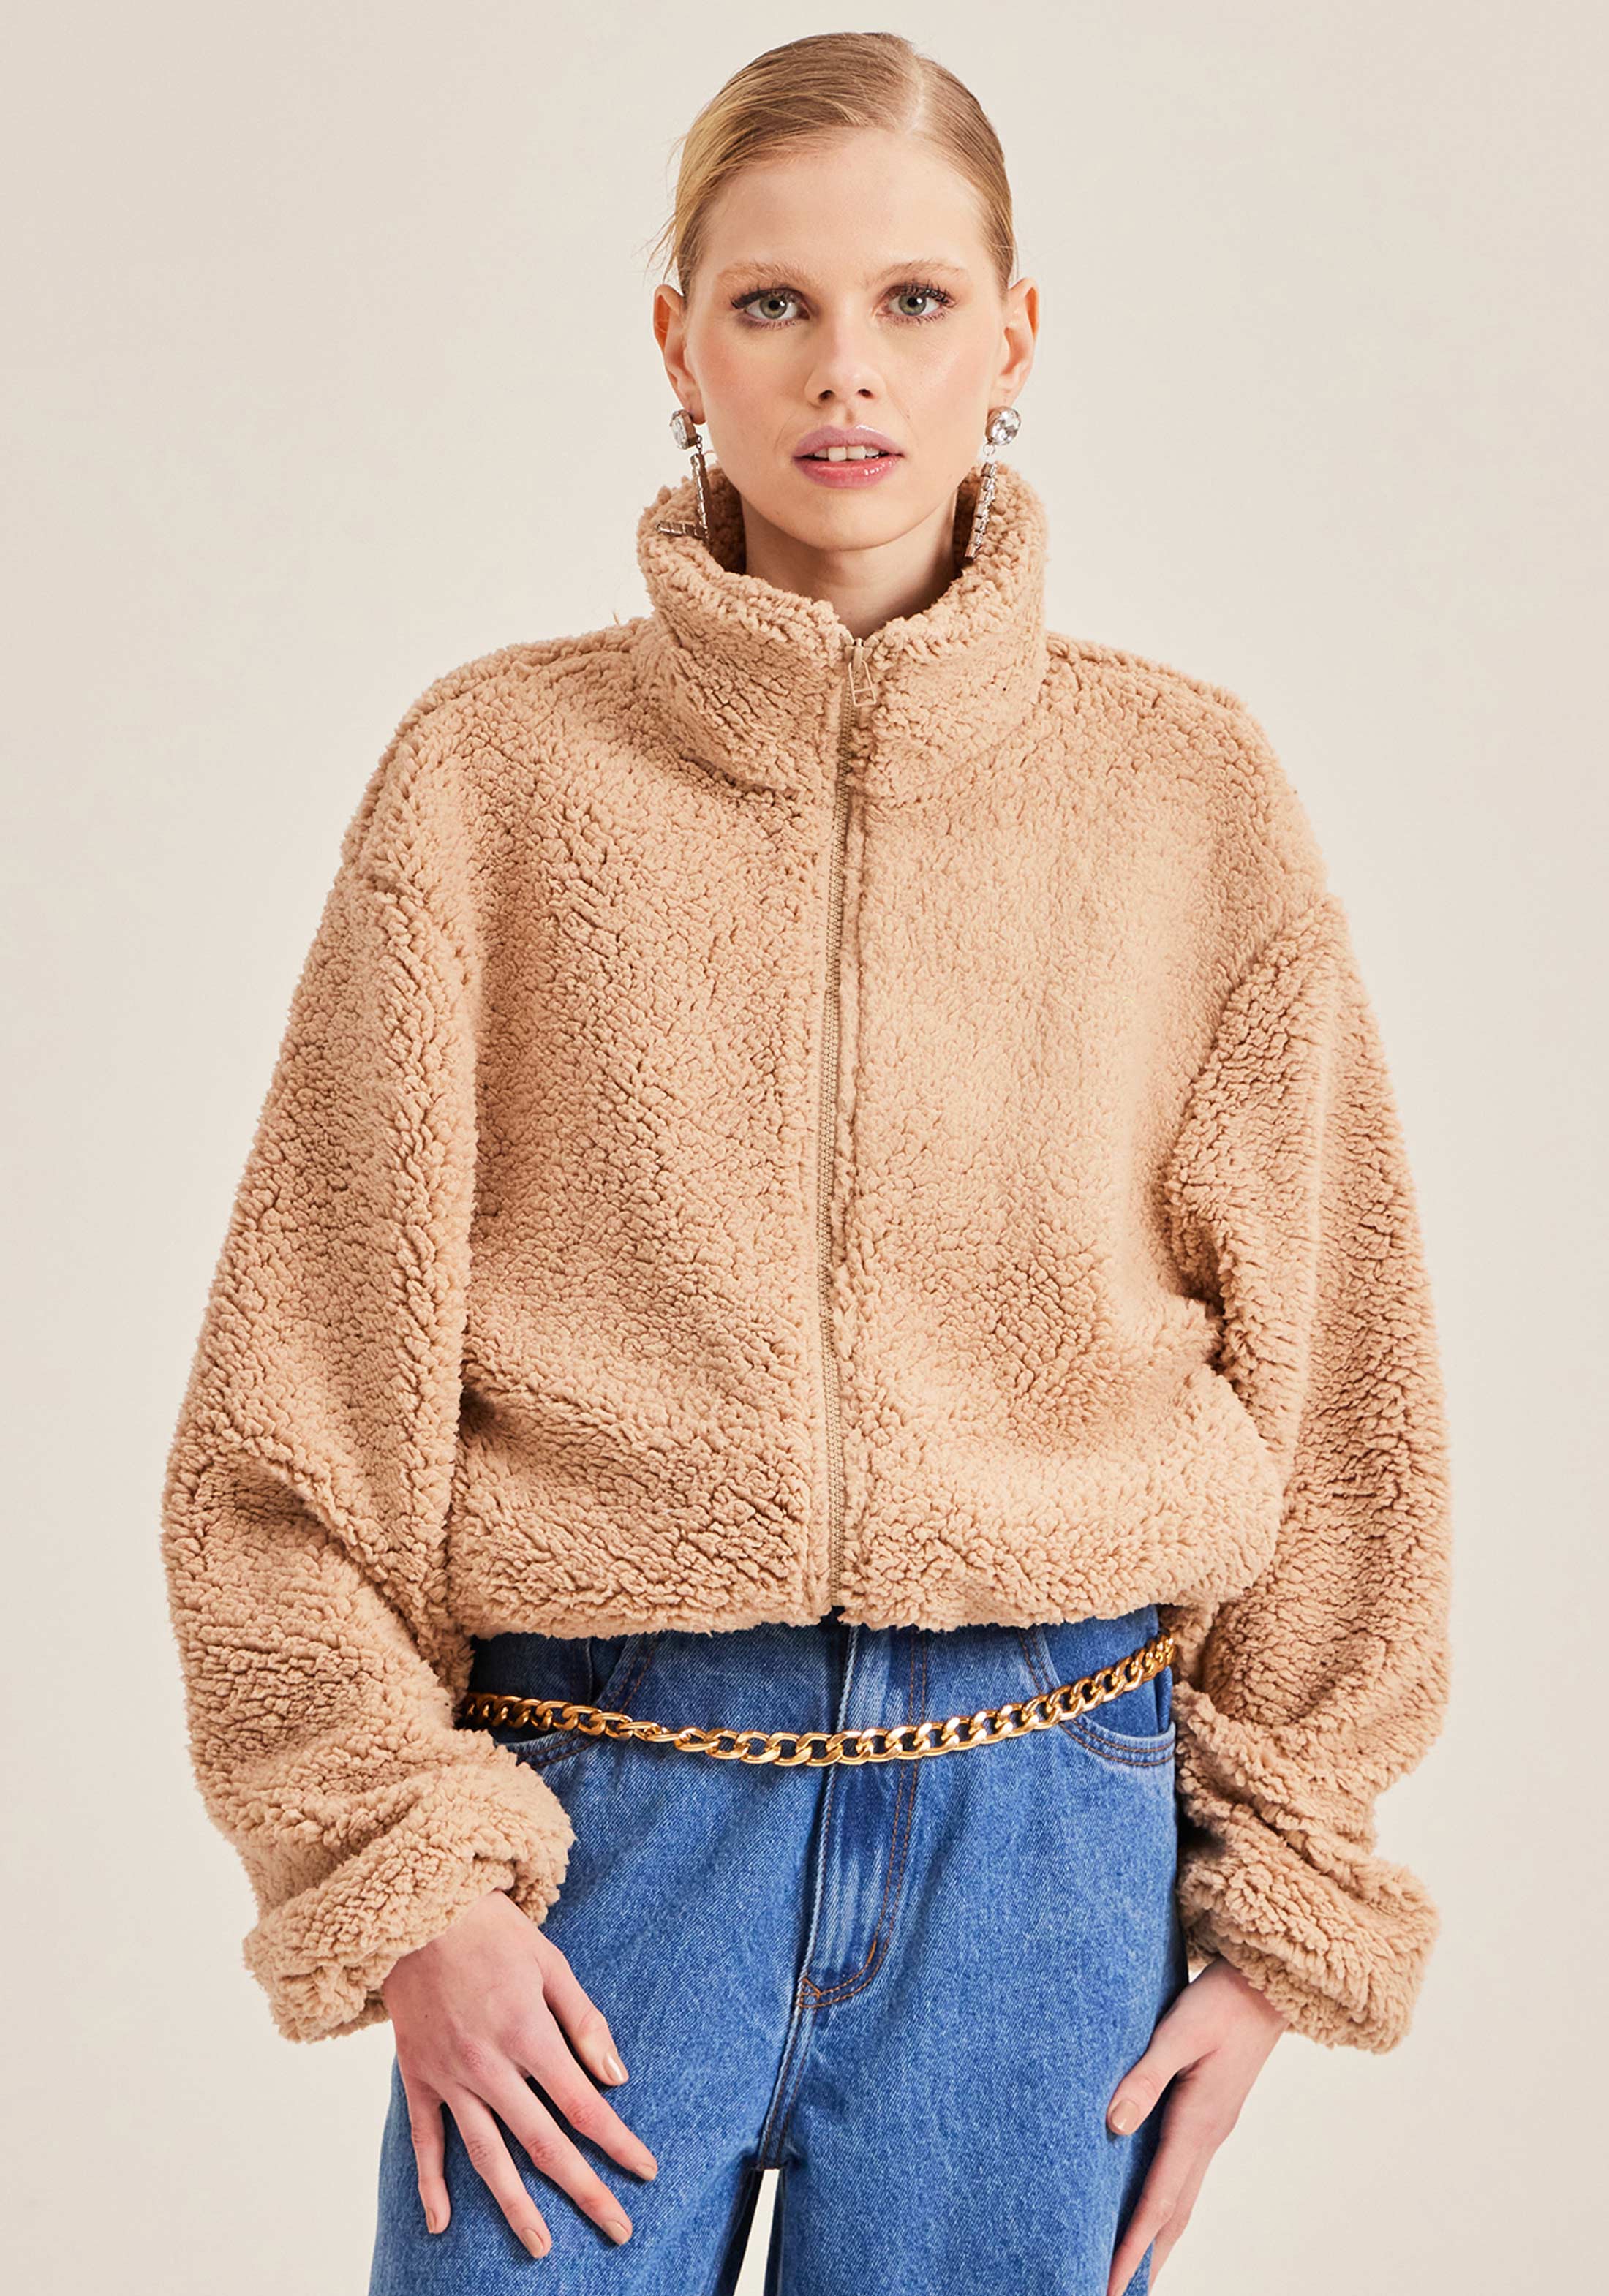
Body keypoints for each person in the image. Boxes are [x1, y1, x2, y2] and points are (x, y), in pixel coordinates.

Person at [159, 31, 1454, 2296]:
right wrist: (404, 1876)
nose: (846, 367)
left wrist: (1280, 1914)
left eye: (913, 301)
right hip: (606, 1818)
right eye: (775, 303)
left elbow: (1348, 1406)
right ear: (680, 343)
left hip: (1042, 1857)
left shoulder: (1187, 799)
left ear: (1013, 337)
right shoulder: (494, 783)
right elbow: (289, 1421)